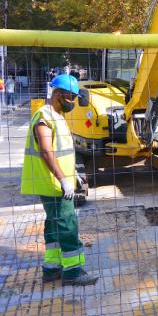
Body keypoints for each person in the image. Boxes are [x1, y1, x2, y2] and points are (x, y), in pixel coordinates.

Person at [20, 74, 98, 286]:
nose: (73, 102)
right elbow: (46, 151)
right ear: (58, 95)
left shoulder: (57, 115)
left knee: (54, 224)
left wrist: (73, 174)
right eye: (70, 97)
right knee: (67, 225)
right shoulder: (44, 117)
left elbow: (61, 151)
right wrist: (64, 180)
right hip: (54, 184)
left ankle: (51, 269)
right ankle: (73, 272)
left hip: (57, 182)